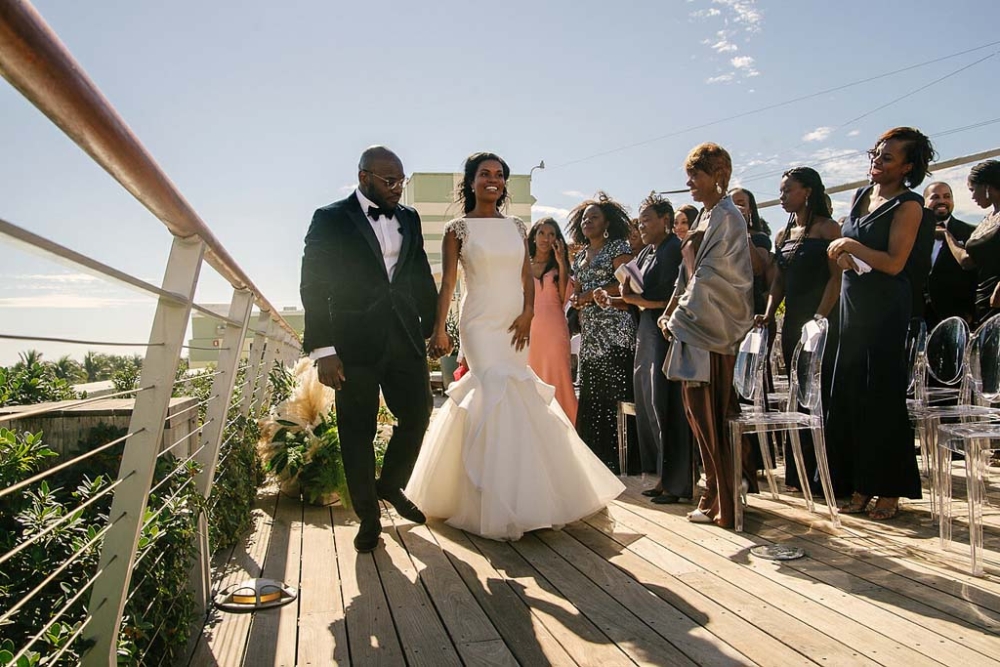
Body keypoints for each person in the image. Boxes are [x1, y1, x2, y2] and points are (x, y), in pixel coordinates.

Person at [405, 152, 624, 541]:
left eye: (500, 175)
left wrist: (528, 314)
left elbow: (526, 278)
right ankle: (485, 499)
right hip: (479, 323)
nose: (493, 180)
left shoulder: (516, 226)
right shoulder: (458, 229)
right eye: (485, 174)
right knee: (490, 390)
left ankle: (528, 498)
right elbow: (451, 284)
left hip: (515, 323)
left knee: (517, 394)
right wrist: (440, 329)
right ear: (471, 181)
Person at [300, 146, 438, 553]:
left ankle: (390, 484)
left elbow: (418, 275)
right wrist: (324, 349)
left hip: (404, 338)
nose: (398, 189)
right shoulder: (330, 219)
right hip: (351, 344)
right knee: (356, 432)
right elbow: (314, 284)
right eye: (389, 181)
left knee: (418, 413)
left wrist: (433, 328)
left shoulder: (409, 218)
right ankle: (369, 518)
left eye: (402, 181)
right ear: (364, 178)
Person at [826, 126, 934, 520]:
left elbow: (892, 262)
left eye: (887, 157)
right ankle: (858, 481)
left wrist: (850, 245)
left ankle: (889, 486)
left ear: (907, 166)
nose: (877, 160)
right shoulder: (860, 196)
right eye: (875, 152)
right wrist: (843, 256)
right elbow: (852, 257)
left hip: (886, 308)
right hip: (852, 305)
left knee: (881, 398)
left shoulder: (909, 205)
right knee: (850, 394)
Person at [660, 143, 755, 528]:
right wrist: (672, 313)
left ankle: (725, 499)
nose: (689, 183)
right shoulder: (706, 215)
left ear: (718, 175)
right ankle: (712, 491)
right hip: (692, 326)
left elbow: (717, 276)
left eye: (695, 175)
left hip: (710, 329)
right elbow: (688, 274)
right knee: (698, 419)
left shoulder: (729, 218)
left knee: (712, 417)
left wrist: (679, 317)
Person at [602, 192, 693, 503]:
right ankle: (658, 475)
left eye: (646, 220)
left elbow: (674, 296)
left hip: (663, 332)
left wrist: (635, 300)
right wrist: (612, 299)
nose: (640, 226)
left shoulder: (673, 250)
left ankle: (675, 481)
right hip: (645, 330)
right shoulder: (644, 254)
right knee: (647, 404)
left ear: (665, 221)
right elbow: (634, 297)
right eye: (639, 221)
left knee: (663, 404)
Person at [757, 167, 842, 493]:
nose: (781, 197)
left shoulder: (827, 228)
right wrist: (766, 313)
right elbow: (778, 280)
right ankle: (800, 474)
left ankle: (826, 476)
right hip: (793, 324)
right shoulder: (784, 234)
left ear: (807, 191)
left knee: (818, 397)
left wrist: (819, 318)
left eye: (787, 190)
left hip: (821, 323)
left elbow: (837, 279)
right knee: (798, 398)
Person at [568, 193, 637, 473]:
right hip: (591, 332)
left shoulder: (618, 247)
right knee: (592, 391)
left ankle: (622, 459)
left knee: (614, 391)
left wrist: (591, 294)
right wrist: (577, 299)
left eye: (594, 217)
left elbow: (630, 284)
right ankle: (594, 457)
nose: (588, 221)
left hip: (615, 329)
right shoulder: (582, 255)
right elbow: (577, 290)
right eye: (585, 218)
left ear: (607, 222)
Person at [527, 217, 578, 423]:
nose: (546, 239)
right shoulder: (523, 265)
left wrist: (561, 261)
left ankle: (567, 428)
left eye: (551, 234)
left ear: (557, 240)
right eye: (542, 233)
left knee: (558, 377)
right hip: (528, 330)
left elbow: (564, 296)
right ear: (534, 236)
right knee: (532, 377)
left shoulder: (560, 266)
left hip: (554, 329)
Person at [942, 160, 1000, 328]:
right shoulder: (988, 219)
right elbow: (967, 262)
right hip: (983, 300)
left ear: (987, 187)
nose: (972, 197)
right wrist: (947, 234)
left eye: (973, 190)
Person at [923, 181, 977, 328]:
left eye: (947, 196)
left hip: (959, 318)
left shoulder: (971, 232)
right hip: (919, 319)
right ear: (924, 202)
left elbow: (977, 275)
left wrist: (971, 312)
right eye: (935, 197)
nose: (942, 201)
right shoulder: (912, 234)